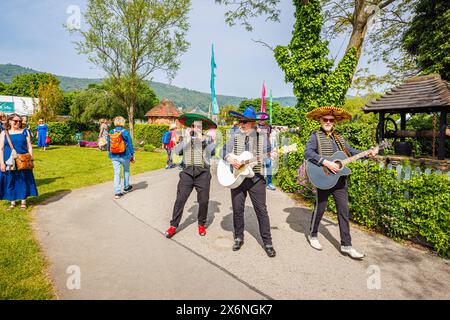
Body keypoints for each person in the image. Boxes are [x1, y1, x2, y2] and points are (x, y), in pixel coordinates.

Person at [304, 106, 378, 260]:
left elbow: (350, 151)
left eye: (331, 120)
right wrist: (326, 162)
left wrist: (367, 152)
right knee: (320, 209)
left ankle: (347, 245)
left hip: (339, 180)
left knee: (343, 211)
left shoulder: (339, 137)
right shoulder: (315, 136)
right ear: (320, 120)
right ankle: (313, 235)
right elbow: (308, 153)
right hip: (323, 177)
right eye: (325, 119)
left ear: (335, 122)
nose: (328, 122)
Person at [221, 106, 277, 258]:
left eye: (244, 122)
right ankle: (238, 237)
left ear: (253, 123)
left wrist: (267, 156)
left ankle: (268, 242)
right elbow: (223, 151)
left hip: (256, 179)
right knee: (237, 209)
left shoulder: (262, 138)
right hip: (237, 178)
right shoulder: (236, 136)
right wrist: (230, 159)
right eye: (240, 121)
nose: (241, 124)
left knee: (261, 210)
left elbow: (266, 157)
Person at [165, 114, 217, 238]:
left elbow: (213, 152)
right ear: (191, 127)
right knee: (180, 199)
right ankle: (173, 225)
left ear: (202, 128)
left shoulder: (208, 139)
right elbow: (177, 152)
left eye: (198, 126)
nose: (196, 128)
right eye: (194, 126)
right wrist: (187, 139)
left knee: (203, 201)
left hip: (203, 174)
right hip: (187, 173)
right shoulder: (186, 138)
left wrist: (202, 140)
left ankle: (201, 224)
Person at [0, 114, 38, 209]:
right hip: (8, 161)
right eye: (15, 121)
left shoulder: (25, 132)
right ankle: (12, 202)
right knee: (10, 180)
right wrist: (1, 163)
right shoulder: (4, 133)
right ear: (10, 121)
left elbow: (29, 146)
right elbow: (1, 149)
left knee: (23, 180)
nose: (18, 123)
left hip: (23, 160)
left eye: (20, 121)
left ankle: (23, 202)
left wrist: (31, 159)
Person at [107, 116, 135, 199]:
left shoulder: (111, 131)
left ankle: (117, 192)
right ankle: (126, 187)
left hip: (114, 155)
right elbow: (130, 144)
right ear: (123, 122)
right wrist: (132, 155)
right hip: (125, 155)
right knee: (126, 170)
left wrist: (109, 152)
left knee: (116, 173)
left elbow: (109, 144)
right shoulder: (125, 132)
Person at [257, 118, 276, 190]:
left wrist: (272, 148)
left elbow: (270, 137)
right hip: (258, 150)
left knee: (269, 165)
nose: (262, 121)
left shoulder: (268, 126)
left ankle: (269, 183)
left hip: (267, 148)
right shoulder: (255, 126)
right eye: (260, 119)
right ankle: (258, 183)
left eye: (263, 119)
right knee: (258, 166)